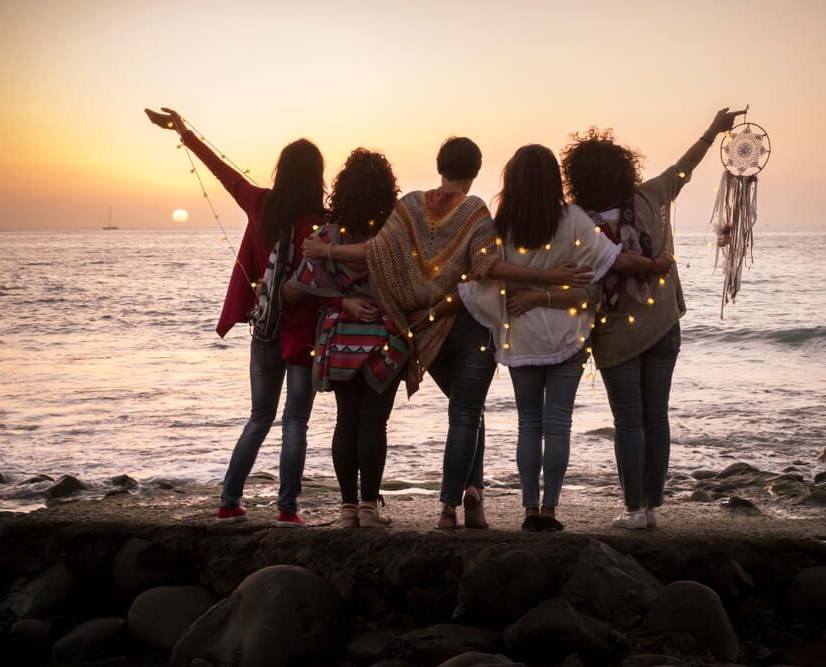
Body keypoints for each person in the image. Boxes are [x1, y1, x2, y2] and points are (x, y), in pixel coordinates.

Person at [302, 137, 593, 530]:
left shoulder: (410, 207)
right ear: (475, 171)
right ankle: (462, 499)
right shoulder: (475, 211)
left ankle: (449, 509)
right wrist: (545, 276)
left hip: (427, 329)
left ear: (440, 164)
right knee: (467, 414)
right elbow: (486, 267)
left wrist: (329, 252)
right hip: (469, 324)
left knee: (463, 414)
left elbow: (377, 252)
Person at [460, 145, 673, 531]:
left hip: (521, 335)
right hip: (568, 334)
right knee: (558, 424)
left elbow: (484, 272)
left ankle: (528, 511)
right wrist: (654, 265)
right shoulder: (572, 218)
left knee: (529, 424)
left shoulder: (501, 224)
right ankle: (550, 511)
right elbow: (615, 260)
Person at [560, 107, 744, 529]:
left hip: (613, 335)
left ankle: (634, 509)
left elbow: (578, 276)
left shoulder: (574, 222)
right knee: (655, 415)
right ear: (623, 169)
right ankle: (653, 506)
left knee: (628, 419)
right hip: (663, 324)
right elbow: (685, 168)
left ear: (578, 177)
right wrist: (714, 129)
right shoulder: (648, 197)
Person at [145, 107, 324, 527]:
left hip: (265, 327)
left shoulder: (261, 203)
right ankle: (287, 510)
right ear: (316, 176)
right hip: (302, 335)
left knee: (260, 418)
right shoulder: (321, 222)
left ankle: (229, 500)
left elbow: (222, 172)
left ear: (282, 171)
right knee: (295, 420)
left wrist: (185, 132)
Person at [284, 149, 403, 529]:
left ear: (342, 190)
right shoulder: (393, 235)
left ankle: (347, 509)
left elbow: (293, 290)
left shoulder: (326, 237)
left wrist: (338, 300)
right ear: (386, 191)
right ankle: (369, 508)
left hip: (338, 340)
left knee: (346, 420)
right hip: (384, 338)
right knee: (374, 423)